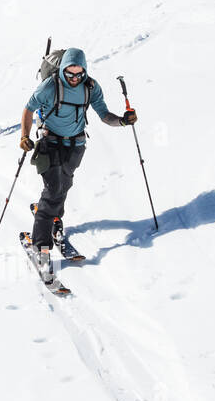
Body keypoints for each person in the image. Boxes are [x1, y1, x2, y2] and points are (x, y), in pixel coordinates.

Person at [18, 48, 137, 270]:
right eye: (70, 73)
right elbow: (28, 110)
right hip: (49, 143)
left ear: (84, 71)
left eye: (78, 74)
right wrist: (24, 136)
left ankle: (54, 220)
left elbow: (104, 115)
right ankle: (40, 246)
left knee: (63, 186)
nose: (74, 78)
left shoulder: (90, 87)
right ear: (63, 69)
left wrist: (122, 121)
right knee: (53, 190)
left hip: (76, 146)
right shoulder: (50, 85)